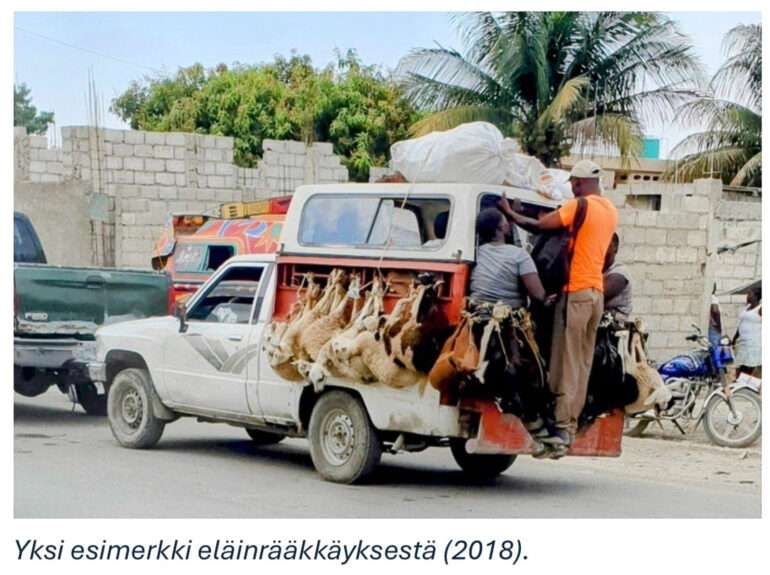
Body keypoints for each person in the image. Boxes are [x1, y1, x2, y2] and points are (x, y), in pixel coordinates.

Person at [498, 159, 618, 457]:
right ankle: (570, 425)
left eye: (573, 185)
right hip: (595, 295)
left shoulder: (579, 206)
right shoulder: (610, 210)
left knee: (565, 361)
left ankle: (561, 427)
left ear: (577, 184)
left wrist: (509, 212)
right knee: (582, 363)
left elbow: (539, 226)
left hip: (575, 293)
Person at [470, 208, 549, 308]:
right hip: (507, 318)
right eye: (505, 221)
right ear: (501, 227)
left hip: (475, 314)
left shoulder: (475, 252)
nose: (508, 224)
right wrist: (546, 299)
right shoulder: (519, 254)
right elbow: (537, 294)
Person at [603, 233, 633, 322]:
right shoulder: (599, 269)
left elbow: (597, 294)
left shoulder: (620, 272)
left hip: (615, 326)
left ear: (615, 248)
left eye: (606, 244)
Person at [732, 287, 762, 377]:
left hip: (753, 345)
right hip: (742, 344)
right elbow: (741, 324)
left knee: (748, 370)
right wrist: (734, 338)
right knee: (739, 369)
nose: (747, 296)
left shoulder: (760, 308)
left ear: (756, 296)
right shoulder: (747, 308)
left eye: (750, 294)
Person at [708, 284, 723, 349]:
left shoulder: (709, 298)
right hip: (714, 328)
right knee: (716, 349)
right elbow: (715, 311)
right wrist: (718, 326)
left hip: (711, 326)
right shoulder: (713, 298)